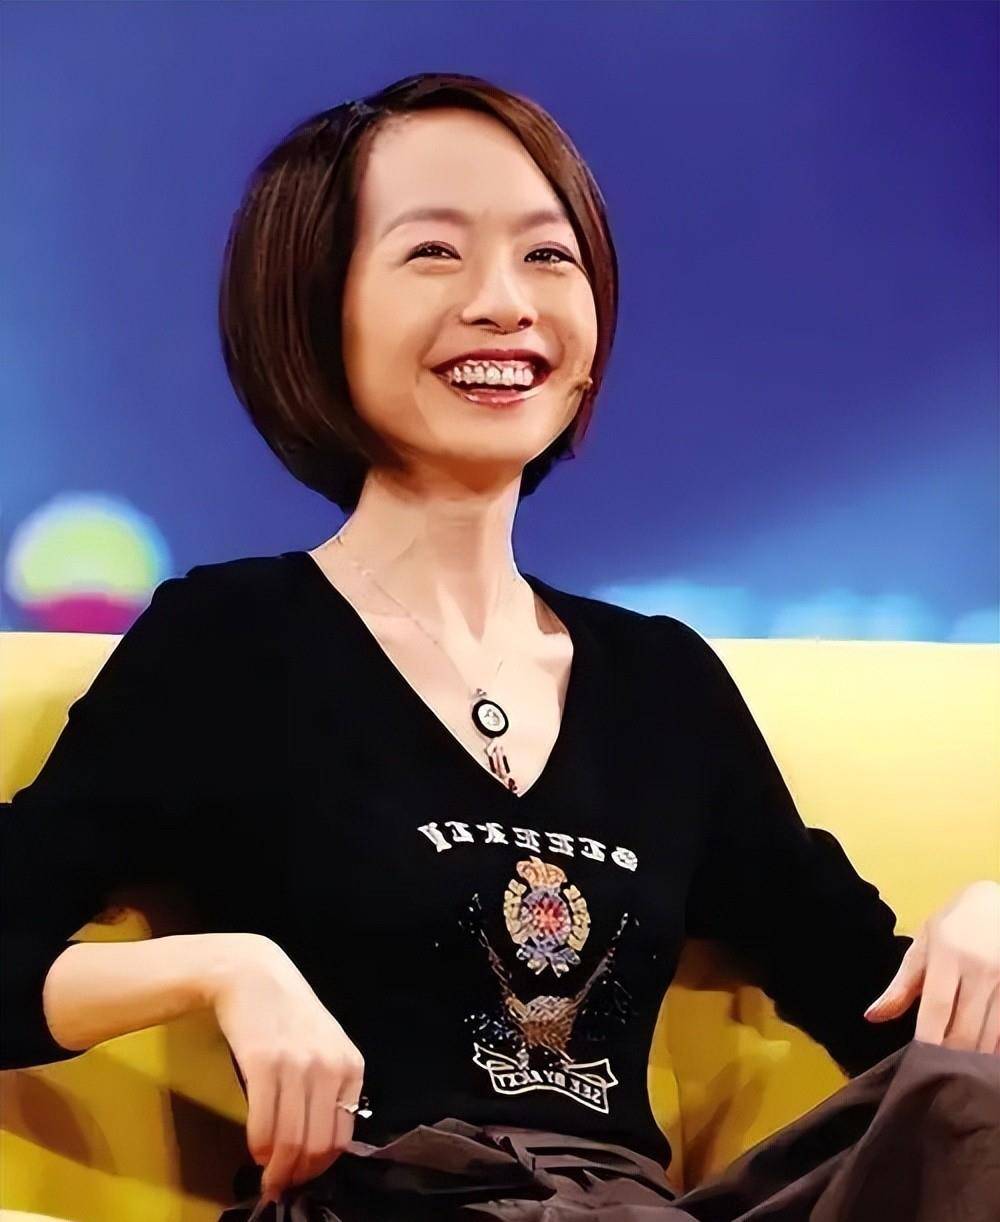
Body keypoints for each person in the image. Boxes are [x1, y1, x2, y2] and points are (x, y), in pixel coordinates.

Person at [2, 73, 997, 1222]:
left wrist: (982, 930)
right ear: (314, 309)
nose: (503, 303)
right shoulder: (232, 642)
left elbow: (879, 1012)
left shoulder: (661, 685)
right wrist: (223, 968)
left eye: (546, 257)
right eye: (434, 253)